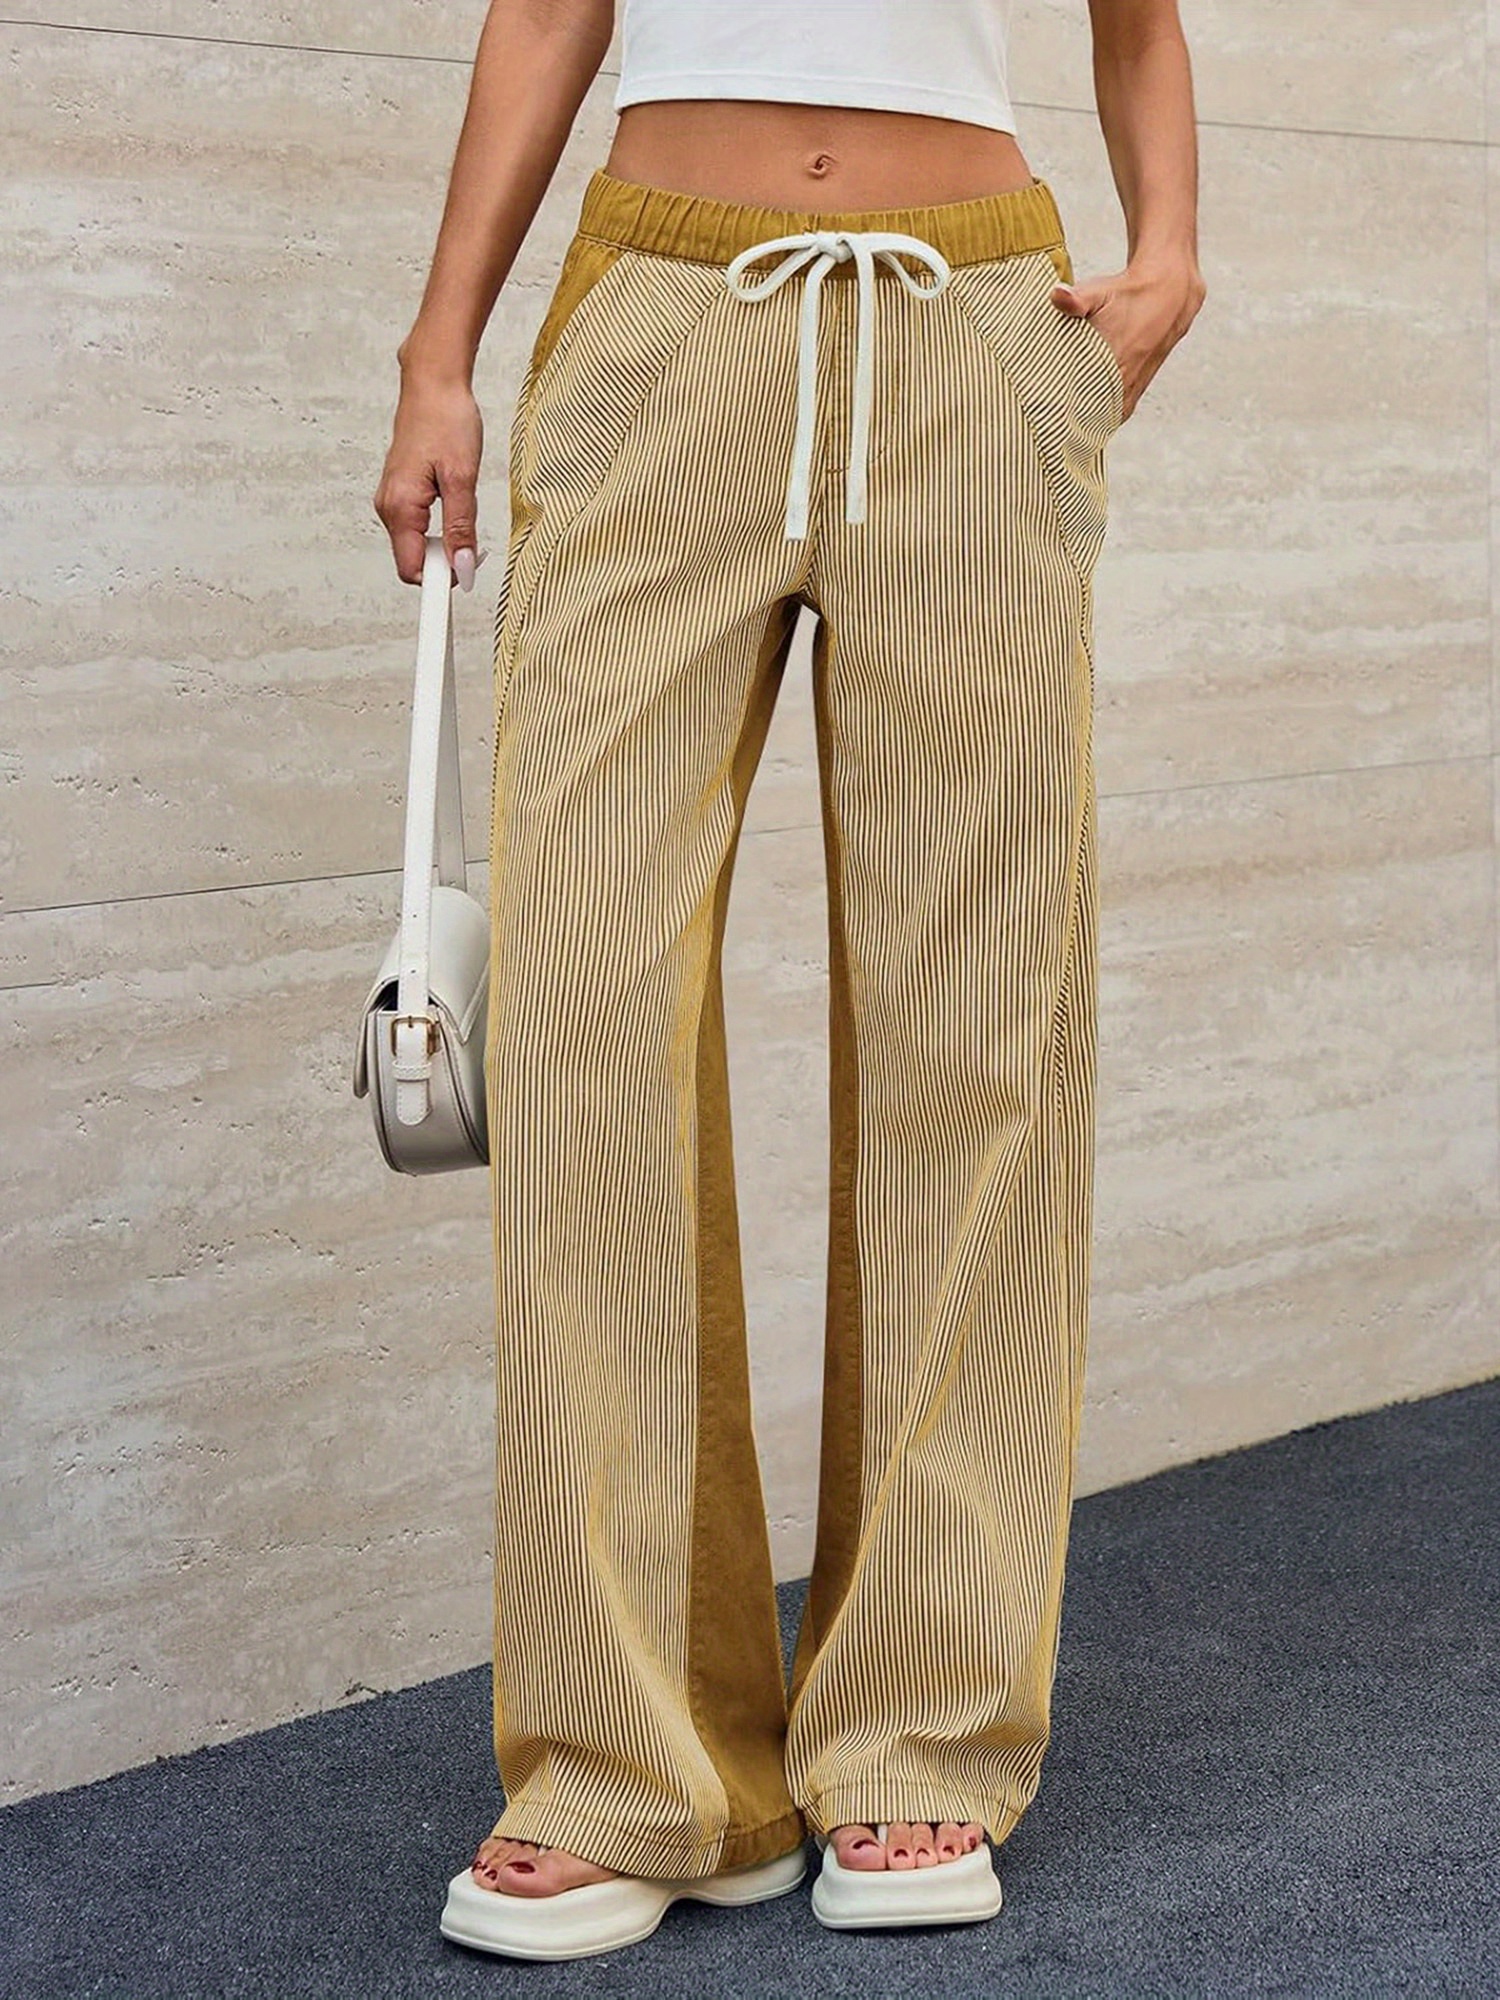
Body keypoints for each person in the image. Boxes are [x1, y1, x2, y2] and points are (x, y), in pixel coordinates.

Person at [374, 0, 1204, 1963]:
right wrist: (437, 355)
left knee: (977, 1032)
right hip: (663, 321)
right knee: (581, 1025)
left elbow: (1142, 20)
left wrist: (1171, 249)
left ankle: (921, 1728)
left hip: (973, 331)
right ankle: (627, 1763)